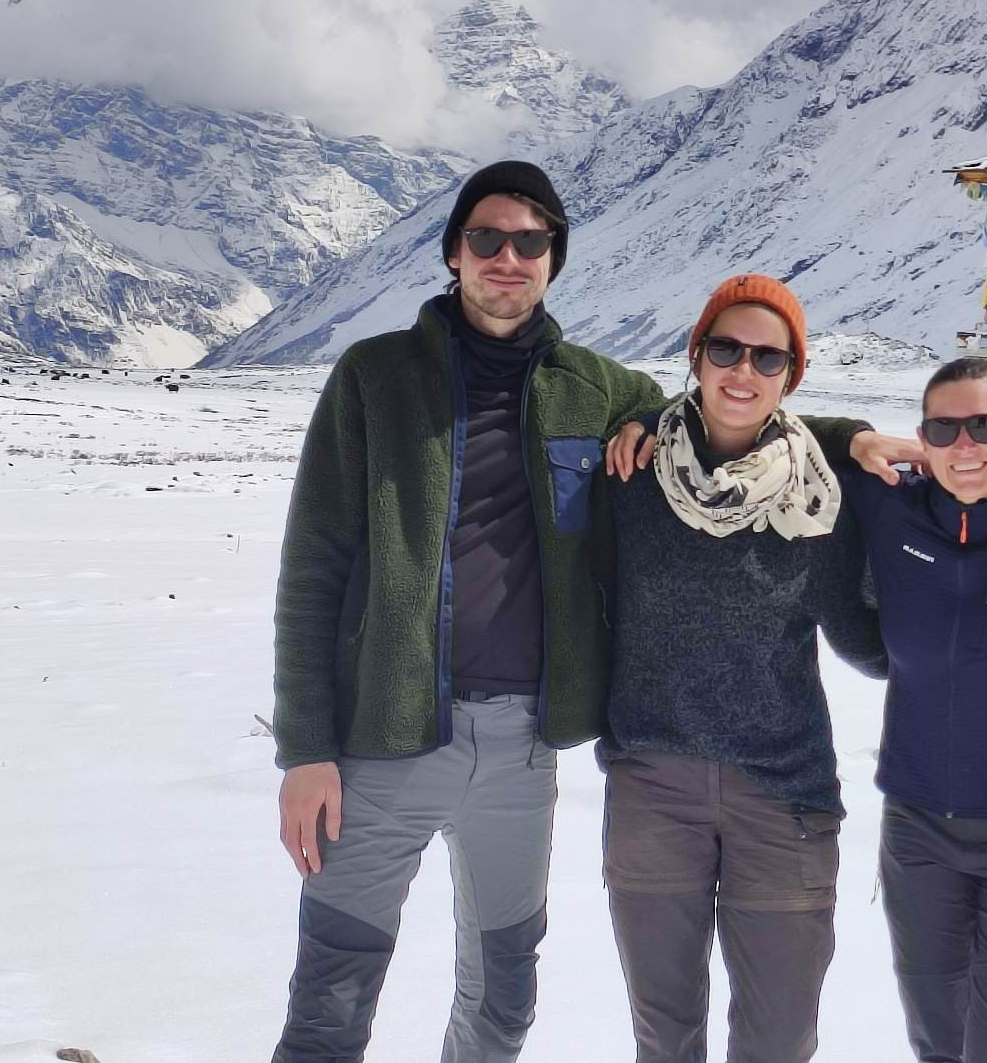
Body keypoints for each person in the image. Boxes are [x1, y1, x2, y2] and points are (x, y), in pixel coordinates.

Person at [267, 169, 894, 1062]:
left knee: (503, 997)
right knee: (331, 997)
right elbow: (312, 566)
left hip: (523, 745)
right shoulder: (373, 379)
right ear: (453, 253)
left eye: (530, 243)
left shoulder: (595, 390)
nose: (508, 259)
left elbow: (737, 416)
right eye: (487, 240)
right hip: (382, 736)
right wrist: (305, 748)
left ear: (554, 262)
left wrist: (844, 435)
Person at [596, 274, 889, 1063]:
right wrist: (635, 419)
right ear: (696, 355)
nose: (743, 371)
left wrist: (978, 606)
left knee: (778, 1040)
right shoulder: (630, 473)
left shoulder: (820, 498)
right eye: (726, 348)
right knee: (665, 1035)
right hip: (654, 786)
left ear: (791, 376)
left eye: (769, 358)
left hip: (783, 795)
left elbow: (870, 646)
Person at [844, 356, 987, 1063]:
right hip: (916, 834)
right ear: (921, 439)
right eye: (943, 430)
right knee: (937, 1043)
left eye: (982, 425)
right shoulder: (888, 508)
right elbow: (767, 427)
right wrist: (853, 436)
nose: (964, 446)